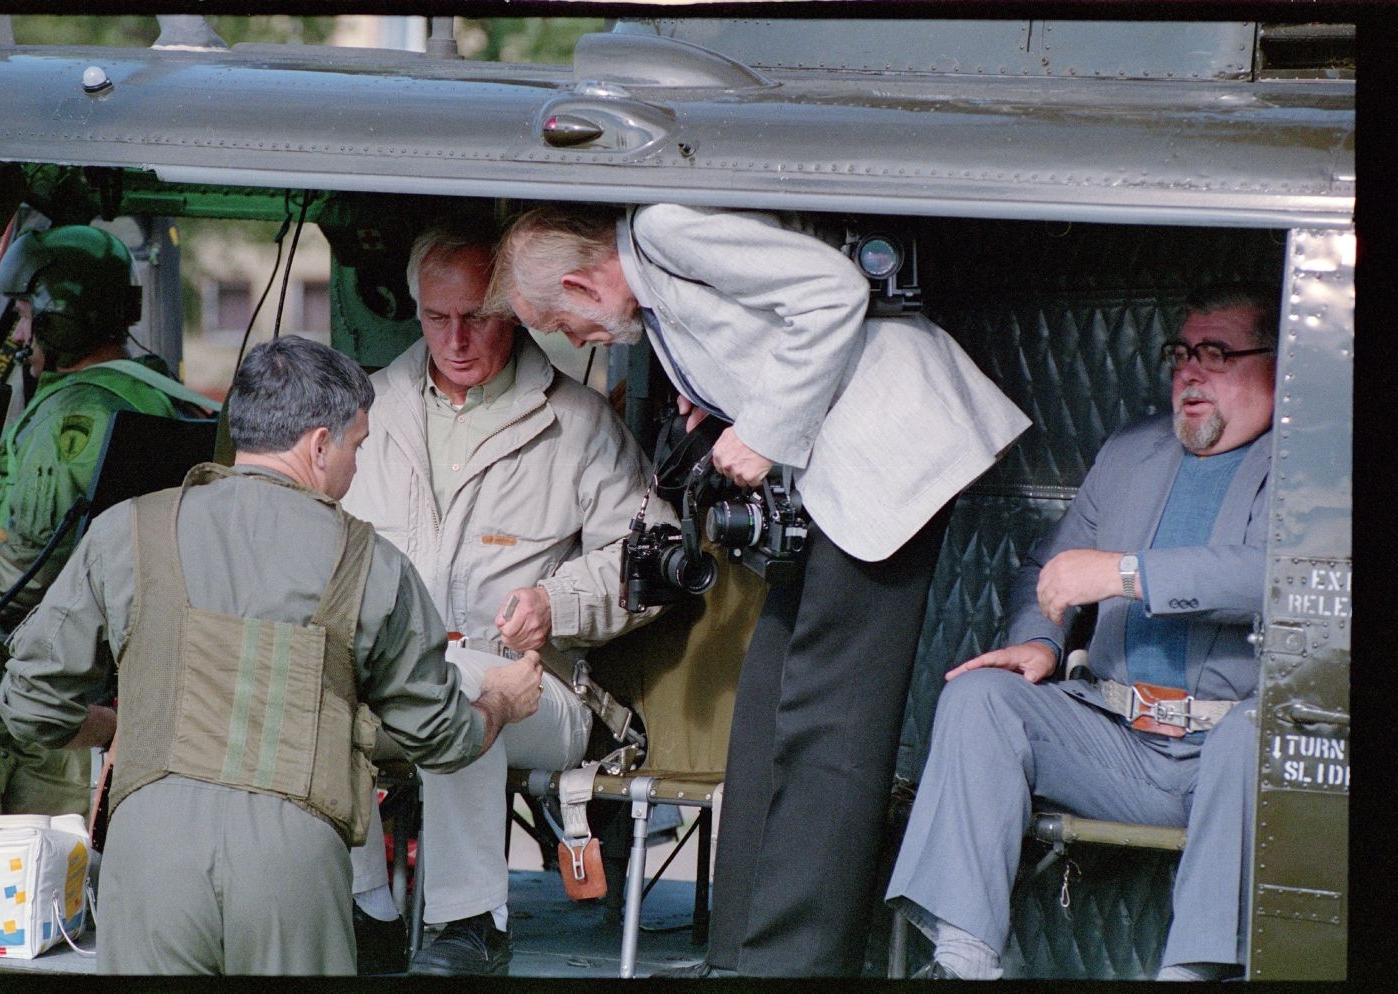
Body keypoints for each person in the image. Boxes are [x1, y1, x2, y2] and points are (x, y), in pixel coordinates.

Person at [489, 203, 1031, 977]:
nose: (578, 342)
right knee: (770, 704)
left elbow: (831, 293)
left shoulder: (666, 231)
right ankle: (741, 948)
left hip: (892, 455)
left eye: (566, 325)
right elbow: (765, 333)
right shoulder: (650, 288)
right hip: (843, 476)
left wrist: (763, 430)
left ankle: (798, 960)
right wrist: (721, 401)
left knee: (832, 726)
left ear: (580, 282)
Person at [0, 335, 544, 975]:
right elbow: (442, 740)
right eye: (357, 446)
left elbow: (29, 705)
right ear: (318, 444)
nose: (356, 467)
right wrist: (501, 700)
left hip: (148, 857)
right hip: (291, 866)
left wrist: (122, 728)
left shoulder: (126, 531)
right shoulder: (372, 565)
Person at [885, 285, 1279, 981]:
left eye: (1216, 354)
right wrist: (1040, 638)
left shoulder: (1307, 463)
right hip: (1117, 738)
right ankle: (966, 960)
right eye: (1181, 353)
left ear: (1276, 365)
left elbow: (1271, 575)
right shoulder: (1133, 450)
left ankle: (1193, 972)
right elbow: (1050, 565)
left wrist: (1126, 574)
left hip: (1225, 751)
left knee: (1257, 737)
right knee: (980, 699)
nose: (1189, 371)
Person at [341, 225, 675, 975]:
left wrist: (558, 601)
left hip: (535, 691)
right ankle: (369, 909)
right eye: (436, 317)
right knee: (318, 682)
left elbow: (652, 557)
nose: (455, 339)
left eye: (478, 317)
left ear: (515, 311)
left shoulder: (579, 422)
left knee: (460, 686)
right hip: (390, 682)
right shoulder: (368, 410)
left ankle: (471, 922)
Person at [0, 224, 216, 822]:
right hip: (91, 671)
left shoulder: (75, 412)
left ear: (57, 314)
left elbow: (26, 571)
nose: (17, 333)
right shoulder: (159, 397)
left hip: (14, 688)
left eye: (22, 314)